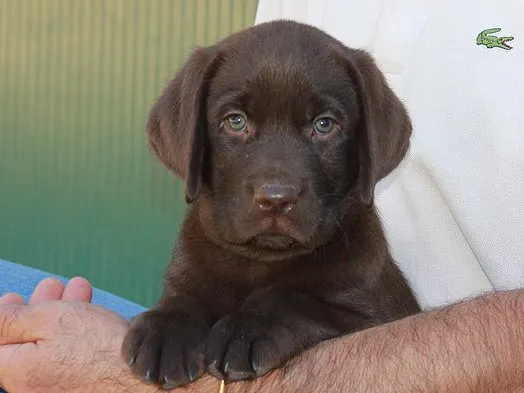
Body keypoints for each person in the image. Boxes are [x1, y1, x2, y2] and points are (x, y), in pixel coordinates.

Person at [1, 0, 523, 391]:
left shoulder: (354, 264)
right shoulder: (204, 244)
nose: (276, 186)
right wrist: (175, 317)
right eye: (236, 122)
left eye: (324, 124)